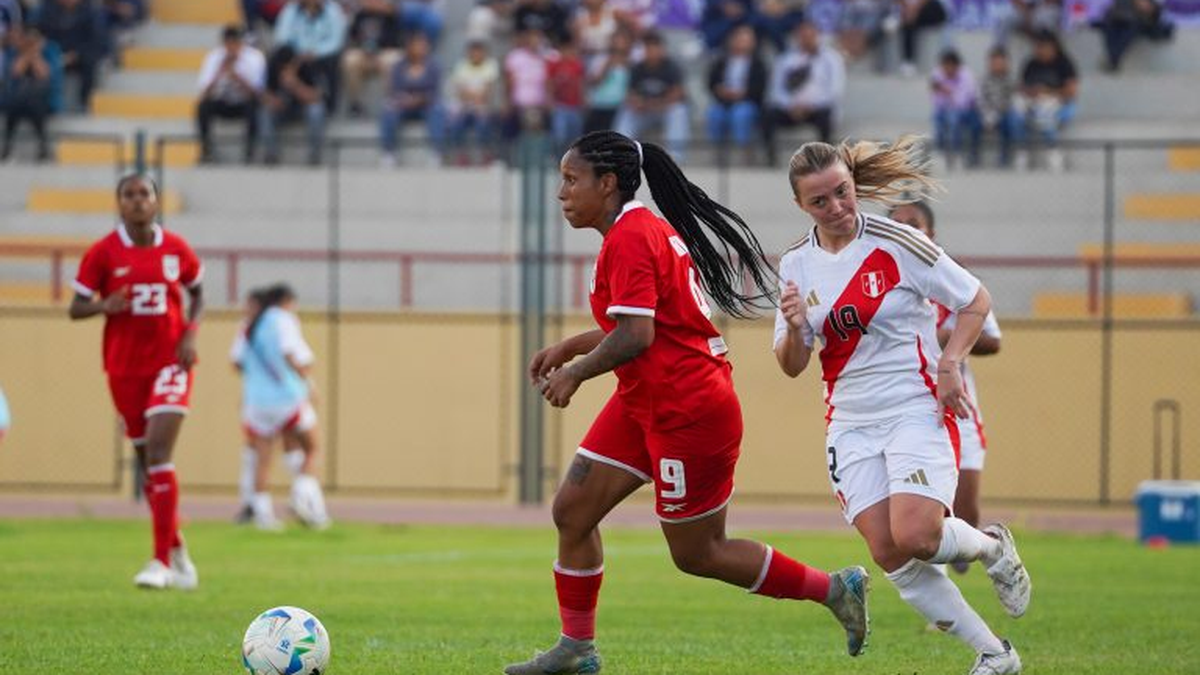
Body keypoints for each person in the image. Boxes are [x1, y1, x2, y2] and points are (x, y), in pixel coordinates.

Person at [503, 130, 870, 675]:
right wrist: (568, 347)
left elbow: (636, 337)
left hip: (689, 410)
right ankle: (577, 649)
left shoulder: (631, 236)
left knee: (699, 553)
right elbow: (643, 324)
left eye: (571, 179)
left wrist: (574, 373)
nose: (562, 192)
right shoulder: (633, 230)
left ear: (607, 185)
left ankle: (835, 589)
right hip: (644, 399)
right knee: (572, 512)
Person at [774, 138, 1030, 675]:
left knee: (917, 535)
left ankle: (989, 547)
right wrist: (796, 329)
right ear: (802, 206)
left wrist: (950, 363)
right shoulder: (796, 263)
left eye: (842, 192)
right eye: (820, 201)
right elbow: (792, 363)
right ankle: (995, 655)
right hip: (848, 421)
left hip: (914, 406)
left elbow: (975, 300)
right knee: (889, 552)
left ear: (853, 184)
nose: (837, 207)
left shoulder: (898, 241)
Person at [69, 174, 204, 591]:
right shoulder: (103, 253)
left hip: (170, 364)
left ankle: (160, 562)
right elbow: (75, 307)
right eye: (129, 195)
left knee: (161, 451)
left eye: (144, 194)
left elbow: (197, 292)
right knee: (148, 464)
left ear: (156, 201)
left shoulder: (176, 248)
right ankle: (178, 549)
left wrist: (189, 334)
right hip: (125, 369)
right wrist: (102, 305)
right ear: (119, 204)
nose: (138, 201)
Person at [889, 201, 1002, 572]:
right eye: (897, 224)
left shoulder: (952, 277)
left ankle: (979, 550)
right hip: (905, 409)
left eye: (914, 224)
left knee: (965, 509)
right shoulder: (878, 283)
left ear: (931, 234)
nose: (906, 230)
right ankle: (941, 603)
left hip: (958, 405)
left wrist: (947, 339)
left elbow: (992, 340)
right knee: (921, 515)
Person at [230, 283, 330, 530]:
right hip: (288, 397)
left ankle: (263, 514)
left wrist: (257, 381)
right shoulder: (282, 320)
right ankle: (300, 495)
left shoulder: (248, 326)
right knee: (313, 448)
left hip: (257, 402)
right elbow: (292, 353)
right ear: (286, 301)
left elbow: (237, 362)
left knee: (263, 459)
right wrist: (308, 382)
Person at [195, 24, 266, 164]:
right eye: (228, 44)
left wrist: (238, 77)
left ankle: (250, 152)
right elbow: (204, 93)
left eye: (235, 43)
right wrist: (219, 74)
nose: (231, 48)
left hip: (244, 101)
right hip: (222, 100)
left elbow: (258, 93)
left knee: (254, 108)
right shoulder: (214, 57)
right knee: (202, 107)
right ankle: (206, 150)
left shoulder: (254, 58)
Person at [259, 43, 327, 165]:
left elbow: (316, 97)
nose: (285, 70)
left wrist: (295, 85)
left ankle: (314, 155)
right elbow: (264, 94)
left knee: (316, 111)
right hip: (282, 109)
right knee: (264, 113)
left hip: (302, 107)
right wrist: (274, 102)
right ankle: (271, 153)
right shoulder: (273, 67)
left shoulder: (306, 67)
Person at [2, 25, 61, 162]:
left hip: (43, 100)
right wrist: (26, 54)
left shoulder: (50, 51)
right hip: (17, 101)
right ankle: (8, 145)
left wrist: (35, 54)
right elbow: (15, 73)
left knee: (34, 104)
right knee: (16, 103)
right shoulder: (13, 52)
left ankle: (43, 146)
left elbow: (44, 75)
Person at [930, 48, 981, 169]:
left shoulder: (967, 75)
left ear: (957, 66)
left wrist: (948, 91)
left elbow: (963, 102)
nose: (947, 70)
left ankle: (955, 151)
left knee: (953, 118)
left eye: (950, 66)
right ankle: (941, 148)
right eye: (944, 66)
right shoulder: (937, 74)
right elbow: (935, 102)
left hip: (967, 111)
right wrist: (943, 93)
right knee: (937, 117)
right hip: (945, 110)